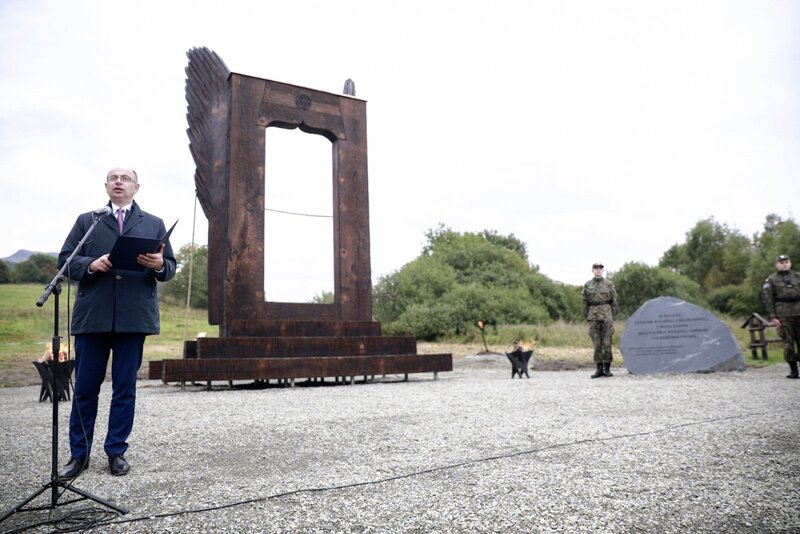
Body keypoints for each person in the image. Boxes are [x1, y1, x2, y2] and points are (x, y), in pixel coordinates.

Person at [57, 168, 176, 479]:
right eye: (113, 178)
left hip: (133, 318)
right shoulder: (88, 221)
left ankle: (116, 451)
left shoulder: (154, 223)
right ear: (106, 186)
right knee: (85, 388)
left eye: (125, 178)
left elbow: (170, 267)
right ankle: (79, 455)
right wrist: (90, 264)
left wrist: (159, 264)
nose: (118, 182)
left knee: (124, 388)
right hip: (92, 318)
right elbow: (66, 260)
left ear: (137, 186)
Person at [762, 254, 800, 379]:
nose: (784, 264)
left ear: (790, 263)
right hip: (783, 315)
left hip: (799, 312)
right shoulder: (771, 280)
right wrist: (773, 317)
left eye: (786, 262)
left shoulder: (797, 276)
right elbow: (768, 299)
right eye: (781, 262)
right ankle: (794, 371)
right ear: (776, 265)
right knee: (788, 342)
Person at [582, 262, 619, 378]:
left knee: (607, 343)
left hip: (606, 315)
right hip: (593, 316)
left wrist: (613, 317)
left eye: (600, 269)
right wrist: (587, 316)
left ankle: (607, 368)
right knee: (597, 344)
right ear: (592, 270)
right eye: (596, 268)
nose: (598, 270)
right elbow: (584, 302)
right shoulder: (588, 285)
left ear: (602, 271)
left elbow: (614, 301)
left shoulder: (608, 284)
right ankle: (599, 368)